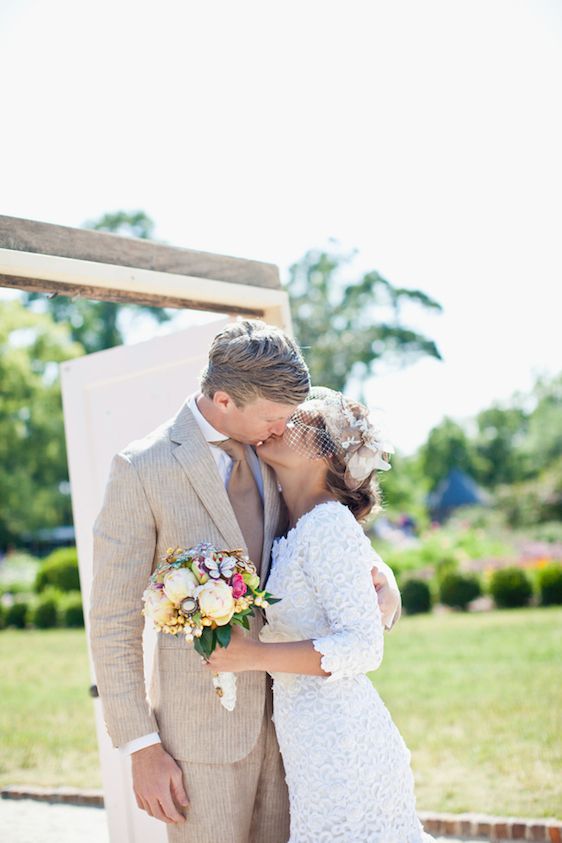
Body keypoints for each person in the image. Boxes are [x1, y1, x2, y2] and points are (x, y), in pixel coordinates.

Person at [89, 320, 402, 843]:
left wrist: (384, 578)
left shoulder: (277, 456)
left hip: (299, 738)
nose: (284, 427)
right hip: (200, 744)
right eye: (275, 417)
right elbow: (112, 620)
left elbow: (327, 532)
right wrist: (141, 747)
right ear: (225, 399)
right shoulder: (142, 468)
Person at [205, 387, 434, 843]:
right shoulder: (299, 527)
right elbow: (370, 587)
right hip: (310, 740)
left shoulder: (327, 524)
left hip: (342, 741)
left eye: (293, 420)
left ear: (322, 451)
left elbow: (364, 646)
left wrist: (251, 655)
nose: (276, 423)